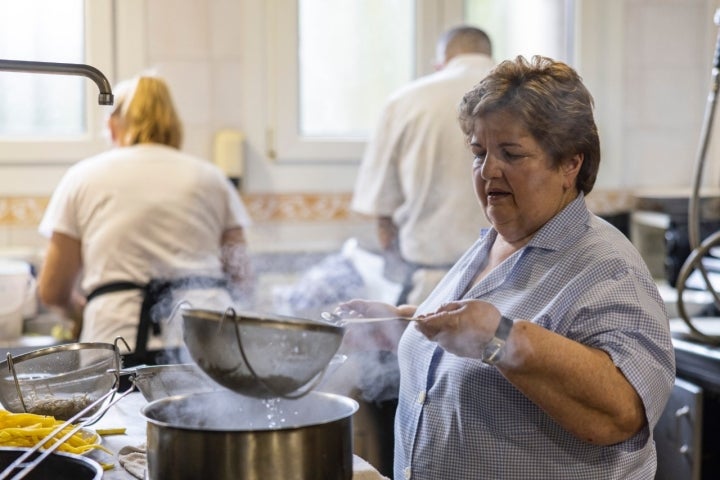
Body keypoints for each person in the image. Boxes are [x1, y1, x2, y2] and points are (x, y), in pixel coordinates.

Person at [335, 56, 676, 479]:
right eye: (479, 153)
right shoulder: (494, 243)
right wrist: (396, 323)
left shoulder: (606, 267)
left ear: (571, 163)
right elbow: (464, 332)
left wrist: (499, 339)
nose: (488, 170)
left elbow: (622, 412)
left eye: (511, 153)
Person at [37, 74, 253, 367]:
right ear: (174, 125)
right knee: (207, 413)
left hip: (115, 339)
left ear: (114, 125)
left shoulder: (83, 177)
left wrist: (77, 310)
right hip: (207, 341)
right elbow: (242, 278)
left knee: (117, 414)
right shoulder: (211, 178)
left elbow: (52, 289)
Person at [352, 25, 495, 306]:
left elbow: (382, 214)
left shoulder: (406, 101)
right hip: (515, 283)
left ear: (440, 63)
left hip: (431, 287)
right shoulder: (525, 100)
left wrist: (397, 271)